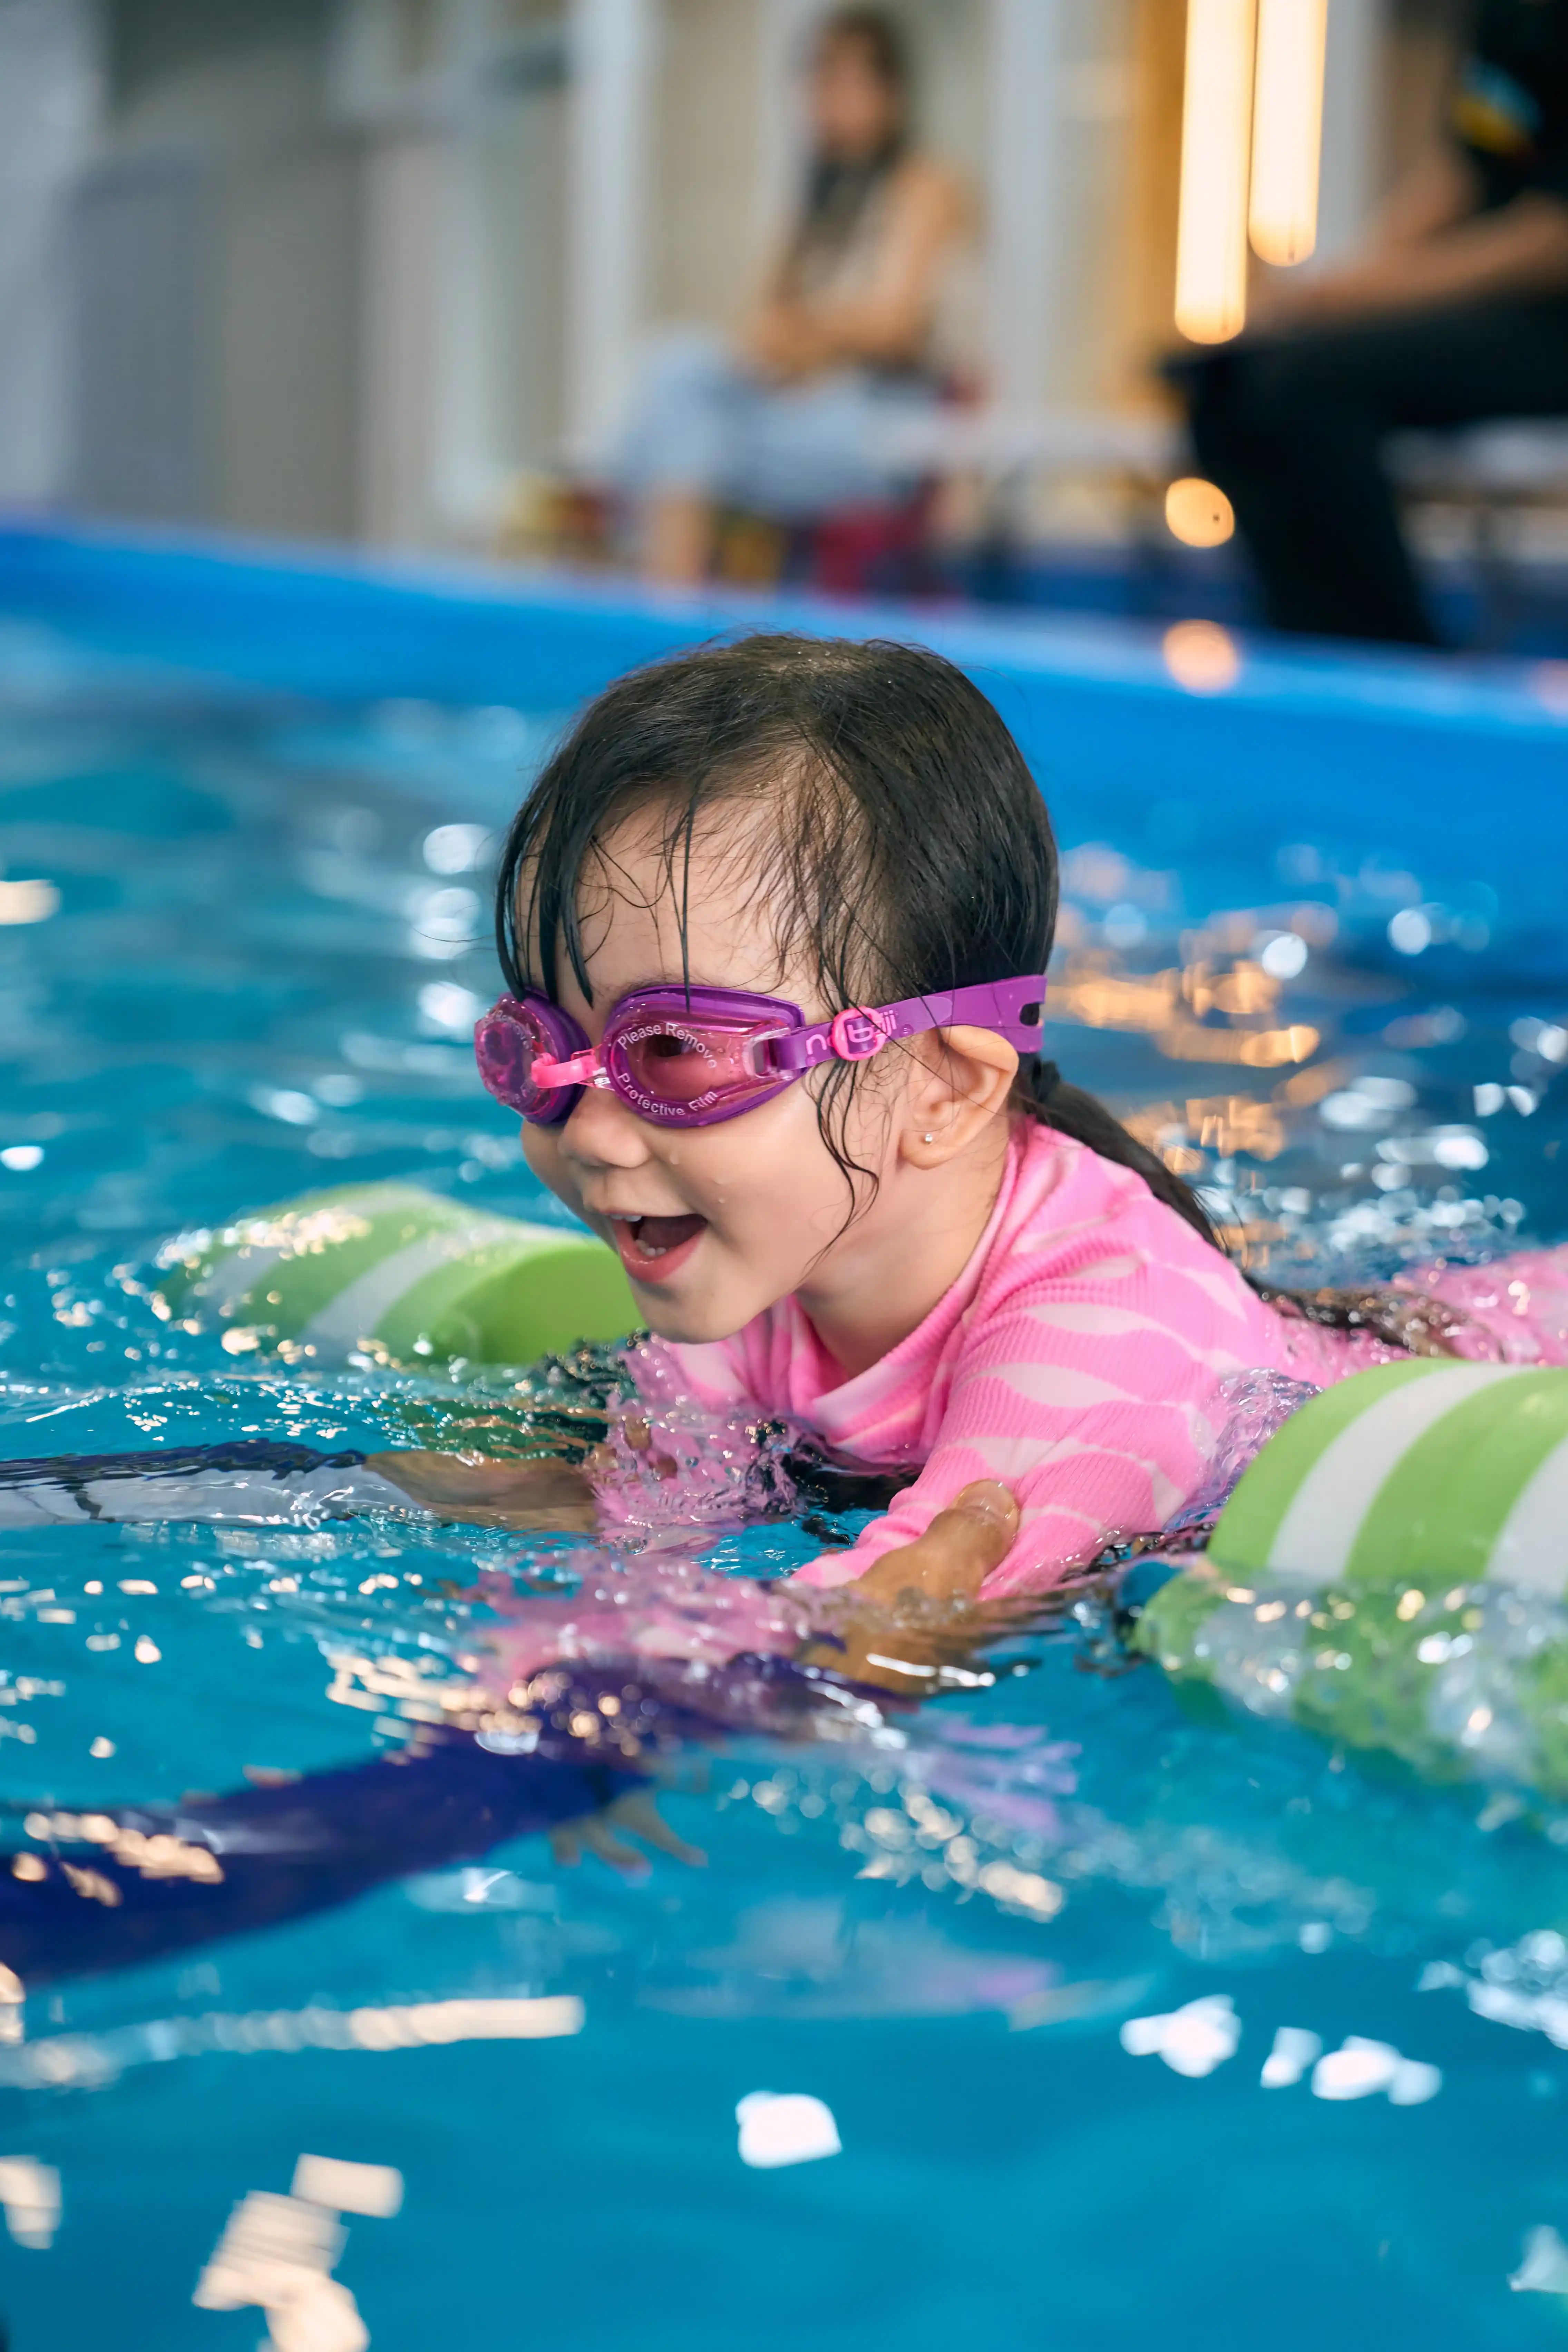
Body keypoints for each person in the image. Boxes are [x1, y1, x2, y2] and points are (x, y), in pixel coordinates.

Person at [464, 631, 1568, 1593]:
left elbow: (886, 1619)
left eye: (674, 1050)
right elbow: (637, 1527)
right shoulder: (755, 1258)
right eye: (547, 1050)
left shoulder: (1100, 1336)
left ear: (943, 1086)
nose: (595, 1132)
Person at [1173, 0, 1568, 644]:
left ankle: (1394, 662)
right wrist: (1328, 291)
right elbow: (1468, 164)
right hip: (1510, 302)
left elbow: (1553, 243)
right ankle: (1309, 646)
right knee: (1223, 380)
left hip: (1551, 318)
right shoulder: (1515, 16)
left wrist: (1367, 293)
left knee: (1308, 386)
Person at [617, 7, 971, 583]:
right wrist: (810, 339)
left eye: (844, 79)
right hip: (801, 409)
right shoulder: (816, 202)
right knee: (677, 375)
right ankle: (667, 602)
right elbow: (757, 331)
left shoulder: (925, 185)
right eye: (818, 78)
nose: (826, 97)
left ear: (890, 91)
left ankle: (664, 616)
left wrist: (806, 339)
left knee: (673, 424)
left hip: (882, 428)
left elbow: (892, 326)